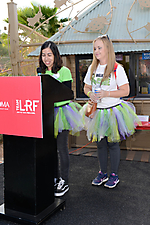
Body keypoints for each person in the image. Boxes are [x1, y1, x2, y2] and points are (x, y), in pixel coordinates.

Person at [83, 35, 141, 188]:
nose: (96, 51)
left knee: (113, 143)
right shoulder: (92, 68)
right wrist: (91, 94)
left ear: (108, 49)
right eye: (95, 48)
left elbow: (126, 90)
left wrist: (106, 94)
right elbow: (86, 87)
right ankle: (102, 173)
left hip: (113, 111)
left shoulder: (117, 68)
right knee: (100, 144)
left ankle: (114, 175)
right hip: (97, 111)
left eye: (99, 48)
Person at [39, 41, 84, 196]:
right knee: (48, 149)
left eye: (49, 55)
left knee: (61, 148)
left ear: (55, 55)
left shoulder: (64, 71)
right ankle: (53, 177)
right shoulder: (40, 72)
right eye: (44, 55)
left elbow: (67, 93)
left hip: (62, 113)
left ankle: (64, 180)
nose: (46, 58)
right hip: (47, 114)